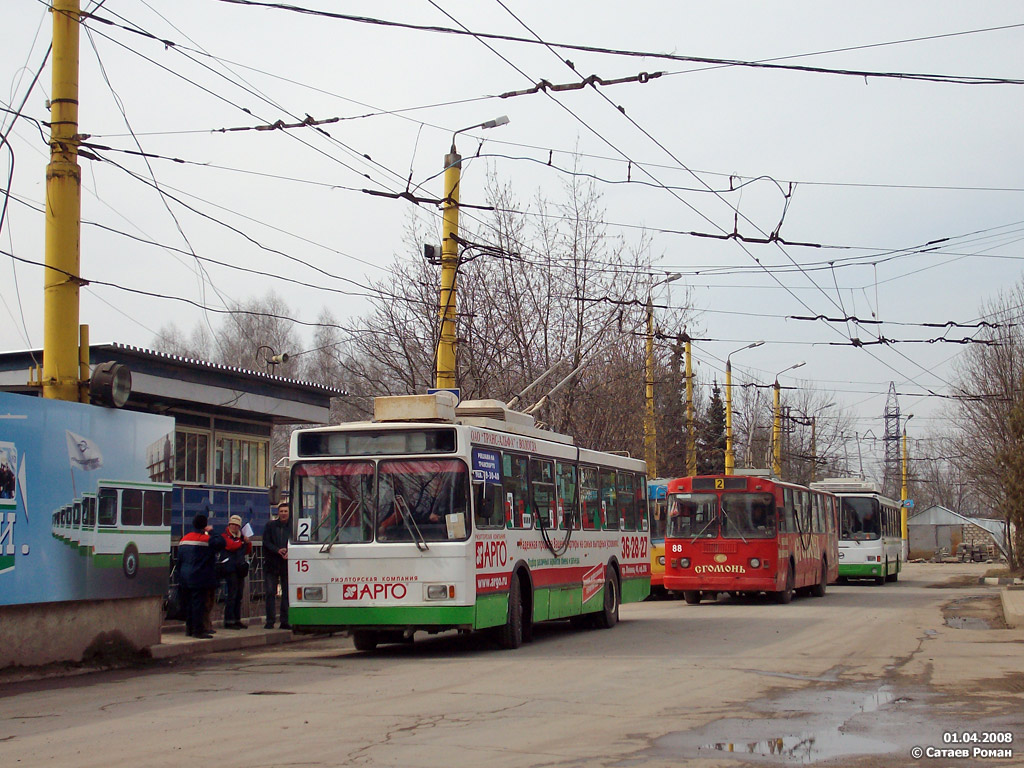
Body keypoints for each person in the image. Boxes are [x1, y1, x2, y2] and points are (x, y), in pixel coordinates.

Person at [177, 514, 227, 639]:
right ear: (204, 525)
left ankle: (189, 629)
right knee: (198, 604)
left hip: (185, 576)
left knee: (188, 604)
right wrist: (212, 531)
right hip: (200, 577)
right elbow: (221, 542)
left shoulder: (184, 539)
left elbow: (180, 560)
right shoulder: (206, 540)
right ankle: (198, 630)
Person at [219, 515, 252, 629]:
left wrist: (248, 543)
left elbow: (247, 551)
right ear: (229, 525)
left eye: (236, 525)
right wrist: (242, 542)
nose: (234, 527)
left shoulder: (241, 538)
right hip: (230, 569)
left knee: (239, 595)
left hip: (239, 569)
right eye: (232, 524)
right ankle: (229, 620)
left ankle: (237, 619)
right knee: (232, 595)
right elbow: (231, 546)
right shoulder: (224, 537)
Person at [263, 500, 291, 630]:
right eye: (281, 511)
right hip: (272, 564)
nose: (283, 514)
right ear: (278, 513)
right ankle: (270, 621)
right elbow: (266, 542)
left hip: (286, 564)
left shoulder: (293, 526)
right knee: (270, 592)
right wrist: (277, 550)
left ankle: (284, 621)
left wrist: (289, 552)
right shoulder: (270, 526)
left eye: (285, 511)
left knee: (286, 593)